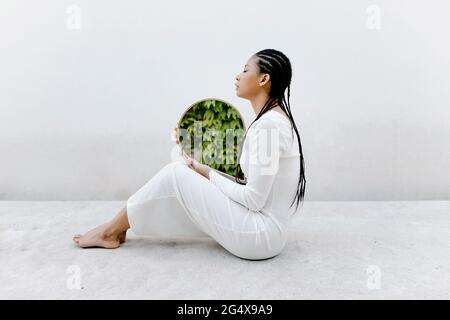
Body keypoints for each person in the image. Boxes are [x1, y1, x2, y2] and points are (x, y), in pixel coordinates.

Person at [73, 48, 306, 260]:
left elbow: (253, 200)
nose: (238, 76)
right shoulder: (271, 122)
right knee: (183, 172)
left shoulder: (269, 127)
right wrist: (202, 170)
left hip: (260, 237)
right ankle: (120, 227)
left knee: (175, 174)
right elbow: (250, 186)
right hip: (263, 233)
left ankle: (110, 231)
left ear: (264, 79)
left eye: (245, 70)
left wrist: (207, 174)